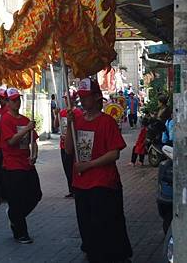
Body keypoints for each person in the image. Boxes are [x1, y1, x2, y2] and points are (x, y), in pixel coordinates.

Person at [65, 78, 132, 263]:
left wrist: (89, 165)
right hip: (81, 183)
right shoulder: (76, 120)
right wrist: (69, 127)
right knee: (86, 225)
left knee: (108, 225)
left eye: (86, 97)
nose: (82, 101)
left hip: (104, 183)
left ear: (96, 97)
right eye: (80, 97)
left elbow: (114, 154)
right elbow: (69, 150)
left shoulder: (107, 122)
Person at [0, 87, 41, 244]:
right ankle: (20, 232)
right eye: (13, 100)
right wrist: (26, 129)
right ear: (8, 103)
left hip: (27, 164)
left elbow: (34, 141)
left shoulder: (25, 120)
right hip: (12, 165)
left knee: (36, 195)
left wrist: (34, 155)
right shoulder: (6, 119)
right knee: (16, 199)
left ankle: (14, 216)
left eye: (18, 99)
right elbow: (10, 142)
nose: (17, 102)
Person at [56, 92, 83, 198]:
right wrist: (56, 115)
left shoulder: (78, 113)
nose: (66, 100)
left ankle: (76, 189)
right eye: (65, 98)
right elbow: (56, 125)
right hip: (63, 145)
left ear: (73, 99)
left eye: (68, 98)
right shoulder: (62, 112)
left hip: (74, 145)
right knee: (67, 168)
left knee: (73, 168)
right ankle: (71, 190)